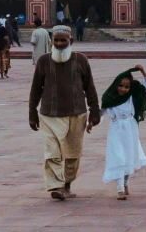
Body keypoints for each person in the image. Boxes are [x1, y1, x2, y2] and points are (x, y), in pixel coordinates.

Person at [28, 24, 99, 200]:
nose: (59, 43)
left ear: (71, 41)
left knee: (73, 154)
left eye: (63, 40)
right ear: (51, 41)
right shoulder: (44, 61)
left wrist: (94, 113)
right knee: (52, 152)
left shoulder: (81, 60)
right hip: (49, 115)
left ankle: (67, 184)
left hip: (77, 114)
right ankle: (56, 186)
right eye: (56, 40)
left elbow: (90, 88)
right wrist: (32, 113)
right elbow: (35, 89)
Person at [101, 65, 146, 199]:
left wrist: (142, 71)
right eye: (120, 86)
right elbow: (100, 113)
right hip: (116, 129)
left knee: (128, 156)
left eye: (126, 87)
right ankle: (119, 188)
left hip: (130, 128)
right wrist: (90, 122)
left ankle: (125, 182)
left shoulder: (133, 95)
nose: (123, 89)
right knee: (118, 156)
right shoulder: (109, 98)